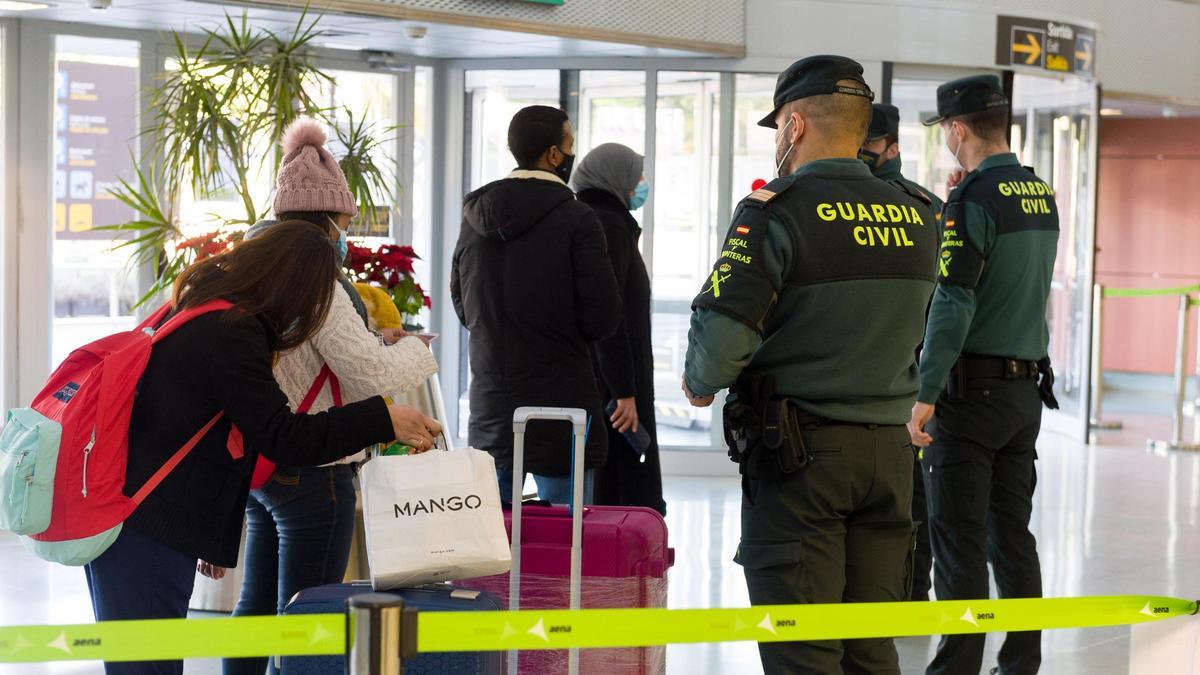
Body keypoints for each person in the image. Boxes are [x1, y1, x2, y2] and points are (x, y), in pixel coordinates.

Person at [85, 220, 442, 675]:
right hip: (143, 526)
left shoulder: (203, 307)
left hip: (135, 519)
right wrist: (382, 418)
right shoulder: (232, 331)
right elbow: (282, 435)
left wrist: (207, 537)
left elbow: (202, 433)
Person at [682, 55, 938, 675]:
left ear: (795, 125)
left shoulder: (776, 211)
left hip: (803, 463)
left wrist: (698, 384)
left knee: (804, 650)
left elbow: (722, 340)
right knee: (871, 647)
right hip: (891, 457)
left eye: (778, 128)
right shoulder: (923, 213)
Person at [220, 120, 439, 675]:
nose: (346, 233)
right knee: (308, 618)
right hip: (316, 469)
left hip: (263, 460)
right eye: (343, 221)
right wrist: (414, 349)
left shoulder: (248, 267)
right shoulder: (315, 277)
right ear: (326, 220)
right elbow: (369, 375)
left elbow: (308, 353)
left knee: (257, 609)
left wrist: (373, 339)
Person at [908, 75, 1059, 675]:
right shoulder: (1038, 192)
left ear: (957, 128)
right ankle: (1022, 662)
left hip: (972, 397)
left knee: (959, 539)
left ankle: (957, 668)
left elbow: (954, 301)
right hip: (1024, 392)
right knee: (1012, 535)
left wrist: (926, 391)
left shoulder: (972, 200)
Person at [451, 105, 621, 505]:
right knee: (566, 548)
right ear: (552, 155)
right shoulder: (578, 219)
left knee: (492, 545)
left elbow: (462, 305)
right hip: (562, 409)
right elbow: (602, 317)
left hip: (492, 403)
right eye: (570, 144)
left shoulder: (474, 220)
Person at [860, 102, 943, 602]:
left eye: (870, 146)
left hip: (905, 377)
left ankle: (910, 590)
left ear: (893, 147)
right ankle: (905, 591)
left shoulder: (925, 207)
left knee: (909, 498)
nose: (861, 154)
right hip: (895, 374)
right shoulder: (928, 206)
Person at [571, 143, 666, 516]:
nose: (641, 184)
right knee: (622, 484)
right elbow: (612, 315)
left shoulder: (606, 222)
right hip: (614, 386)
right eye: (636, 176)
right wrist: (624, 390)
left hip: (613, 378)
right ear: (615, 177)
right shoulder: (607, 225)